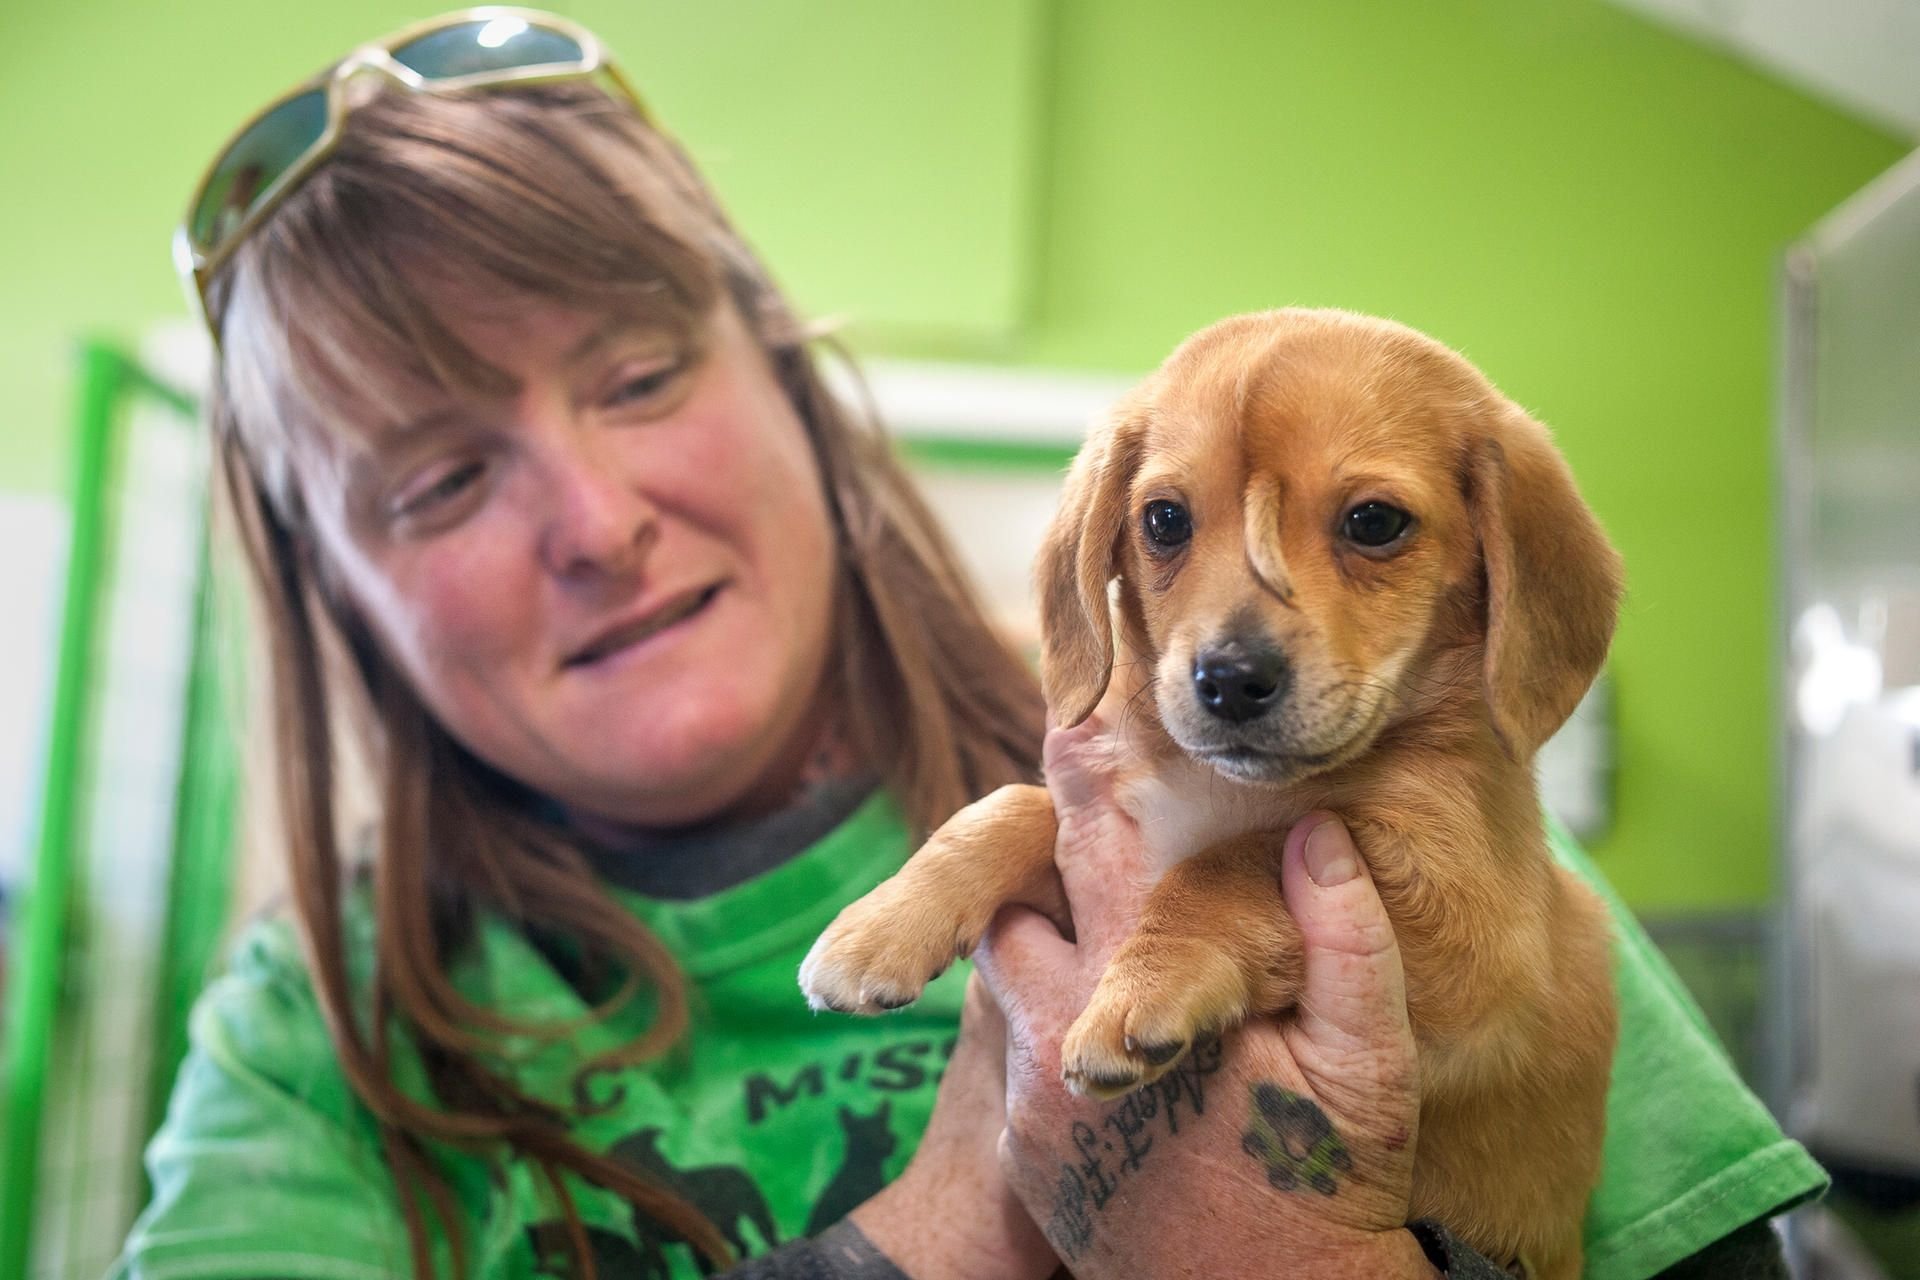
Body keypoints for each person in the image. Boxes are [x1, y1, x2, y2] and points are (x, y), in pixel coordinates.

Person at [116, 10, 1824, 1279]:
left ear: (790, 375)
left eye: (638, 376)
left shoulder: (1386, 784)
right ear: (332, 582)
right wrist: (944, 1231)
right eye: (439, 480)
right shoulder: (310, 1039)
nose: (595, 518)